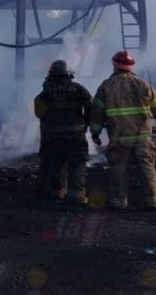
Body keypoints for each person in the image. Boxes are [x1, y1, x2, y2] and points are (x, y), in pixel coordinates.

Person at [90, 50, 156, 211]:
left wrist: (95, 132)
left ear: (114, 65)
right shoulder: (143, 84)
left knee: (118, 168)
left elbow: (97, 112)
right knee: (146, 166)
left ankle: (119, 201)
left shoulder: (106, 86)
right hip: (142, 137)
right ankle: (154, 201)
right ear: (131, 67)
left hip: (119, 137)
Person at [33, 59, 95, 204]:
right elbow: (91, 106)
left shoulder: (46, 91)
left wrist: (48, 119)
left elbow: (38, 111)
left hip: (54, 135)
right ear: (69, 74)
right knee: (77, 164)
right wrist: (85, 122)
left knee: (56, 164)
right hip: (76, 134)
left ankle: (57, 192)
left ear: (52, 75)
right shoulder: (79, 89)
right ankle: (77, 195)